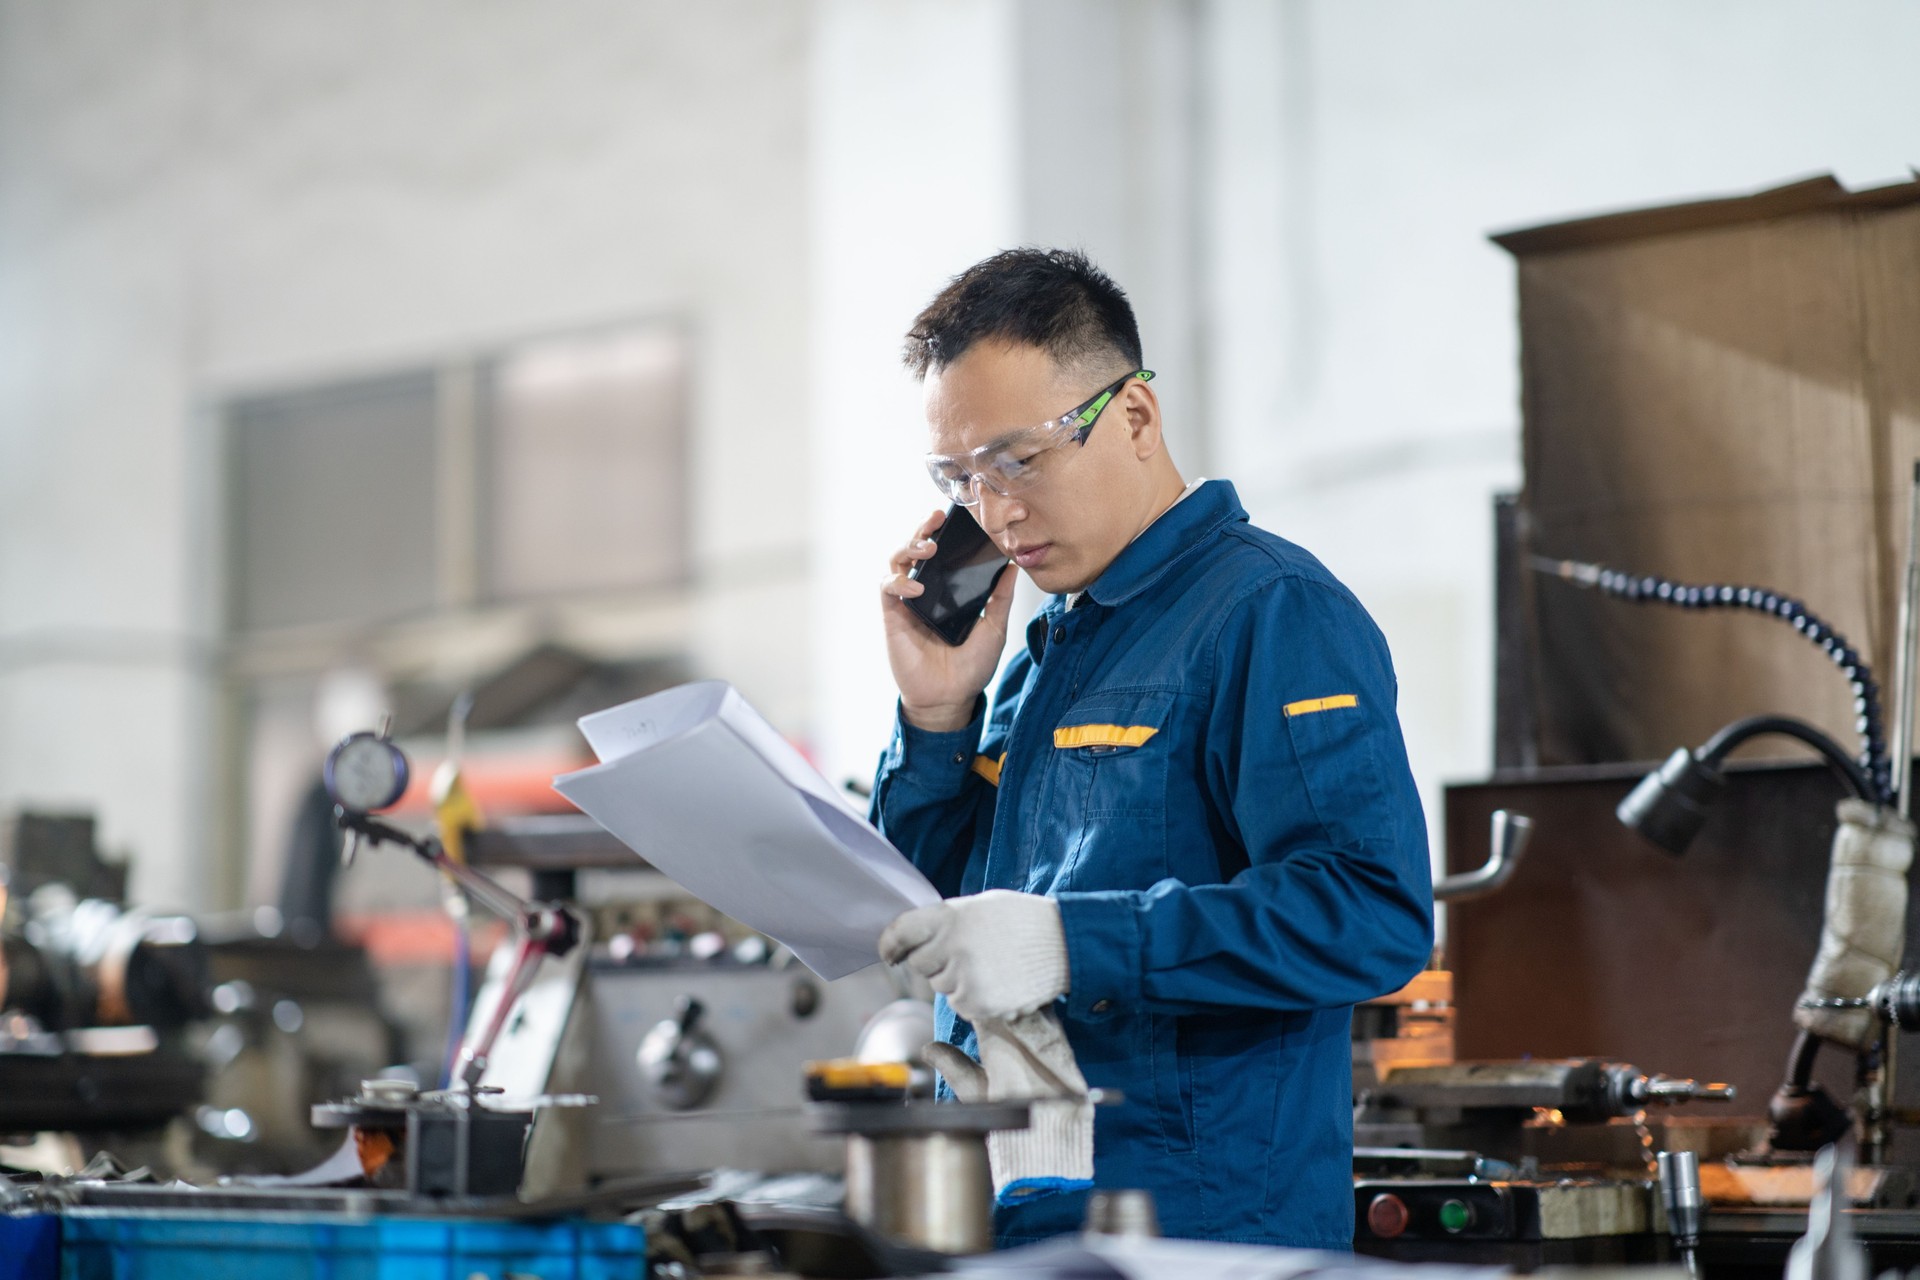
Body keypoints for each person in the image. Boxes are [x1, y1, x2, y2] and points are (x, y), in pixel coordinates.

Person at [871, 248, 1434, 1249]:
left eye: (1018, 460)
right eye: (959, 478)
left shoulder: (1270, 612)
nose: (993, 513)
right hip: (1027, 1206)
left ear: (1134, 416)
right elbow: (939, 908)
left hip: (1204, 1228)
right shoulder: (1051, 646)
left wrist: (1067, 943)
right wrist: (936, 718)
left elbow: (1369, 911)